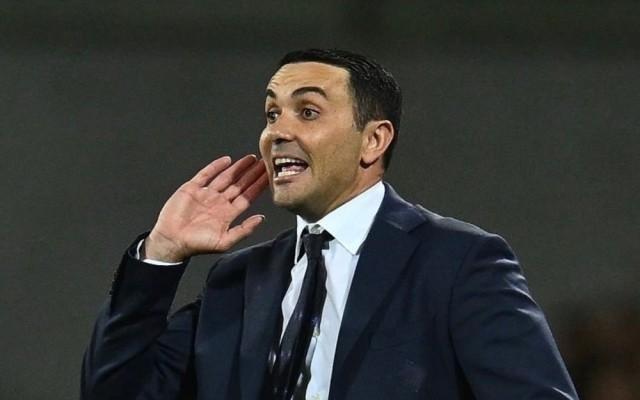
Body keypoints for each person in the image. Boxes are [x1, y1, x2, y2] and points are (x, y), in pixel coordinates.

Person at [81, 49, 579, 400]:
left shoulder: (457, 262)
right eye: (271, 113)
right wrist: (162, 253)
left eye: (308, 111)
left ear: (373, 140)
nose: (277, 132)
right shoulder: (237, 281)